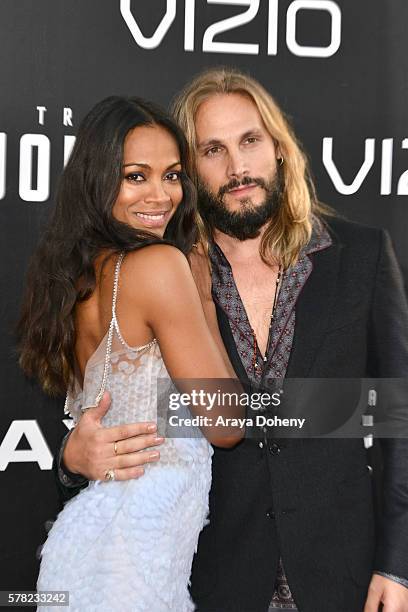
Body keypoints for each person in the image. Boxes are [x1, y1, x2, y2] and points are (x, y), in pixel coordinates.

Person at [56, 70, 408, 612]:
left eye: (250, 141)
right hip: (209, 581)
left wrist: (398, 566)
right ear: (190, 168)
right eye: (212, 150)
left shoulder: (360, 255)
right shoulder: (169, 272)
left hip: (345, 577)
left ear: (279, 148)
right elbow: (120, 408)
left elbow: (398, 417)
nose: (237, 166)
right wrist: (71, 460)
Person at [18, 95, 243, 611]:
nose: (162, 195)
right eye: (136, 176)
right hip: (134, 556)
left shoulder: (74, 278)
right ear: (98, 182)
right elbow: (226, 423)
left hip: (85, 542)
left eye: (172, 175)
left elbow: (152, 405)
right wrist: (204, 296)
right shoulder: (160, 266)